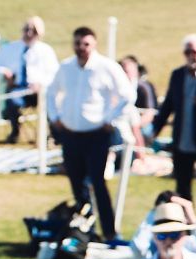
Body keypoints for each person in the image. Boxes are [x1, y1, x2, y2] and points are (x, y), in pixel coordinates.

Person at [47, 27, 131, 243]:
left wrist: (110, 120)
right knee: (76, 183)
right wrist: (55, 118)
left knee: (97, 183)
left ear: (93, 45)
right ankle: (85, 229)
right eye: (78, 44)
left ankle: (110, 231)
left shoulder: (106, 67)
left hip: (96, 134)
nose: (81, 49)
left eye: (85, 44)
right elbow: (51, 92)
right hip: (71, 134)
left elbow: (127, 95)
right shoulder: (66, 67)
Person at [151, 35, 196, 231]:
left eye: (195, 52)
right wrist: (155, 129)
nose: (191, 56)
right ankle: (184, 224)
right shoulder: (178, 75)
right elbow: (168, 105)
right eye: (187, 52)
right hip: (182, 140)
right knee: (182, 188)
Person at [0, 17, 57, 143]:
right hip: (19, 90)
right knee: (12, 100)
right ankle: (15, 132)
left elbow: (54, 74)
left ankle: (53, 134)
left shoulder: (45, 50)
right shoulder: (11, 48)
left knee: (49, 101)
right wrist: (4, 71)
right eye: (27, 29)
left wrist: (41, 84)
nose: (29, 33)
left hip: (40, 91)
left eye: (34, 31)